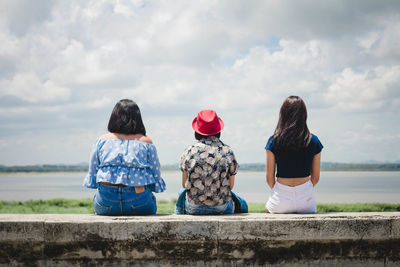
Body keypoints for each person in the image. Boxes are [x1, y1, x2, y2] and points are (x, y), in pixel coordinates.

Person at [83, 99, 166, 215]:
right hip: (139, 202)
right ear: (137, 118)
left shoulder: (101, 141)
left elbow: (93, 170)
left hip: (106, 203)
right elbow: (156, 172)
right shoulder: (146, 142)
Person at [175, 109, 248, 215]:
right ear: (218, 130)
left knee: (181, 193)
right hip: (221, 208)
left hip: (194, 208)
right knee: (242, 202)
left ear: (197, 131)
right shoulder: (227, 151)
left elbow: (184, 184)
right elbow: (230, 186)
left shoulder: (189, 151)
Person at [265, 96, 323, 214]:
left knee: (268, 209)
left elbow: (269, 179)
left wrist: (283, 193)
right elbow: (315, 178)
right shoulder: (314, 140)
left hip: (281, 197)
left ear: (283, 114)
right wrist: (302, 191)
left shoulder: (273, 141)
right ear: (304, 115)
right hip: (307, 199)